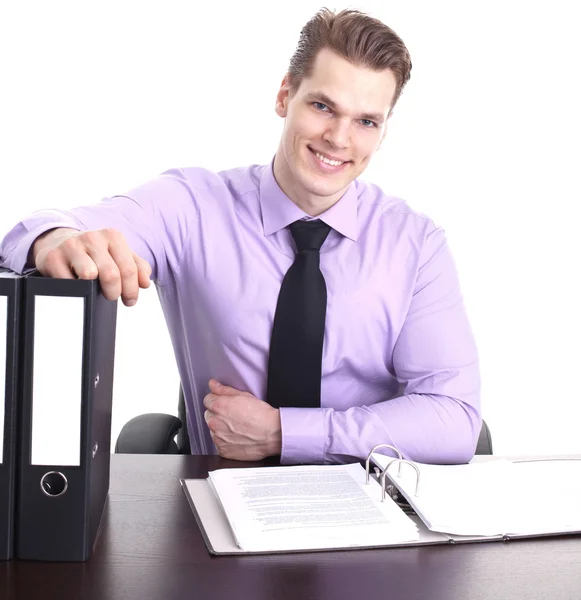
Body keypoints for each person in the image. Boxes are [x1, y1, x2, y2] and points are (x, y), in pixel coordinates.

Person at [0, 8, 481, 465]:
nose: (339, 137)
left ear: (383, 131)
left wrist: (283, 432)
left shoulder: (415, 245)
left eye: (366, 121)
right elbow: (48, 229)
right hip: (217, 487)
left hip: (364, 495)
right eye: (321, 106)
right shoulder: (193, 206)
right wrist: (54, 238)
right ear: (283, 96)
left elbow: (454, 418)